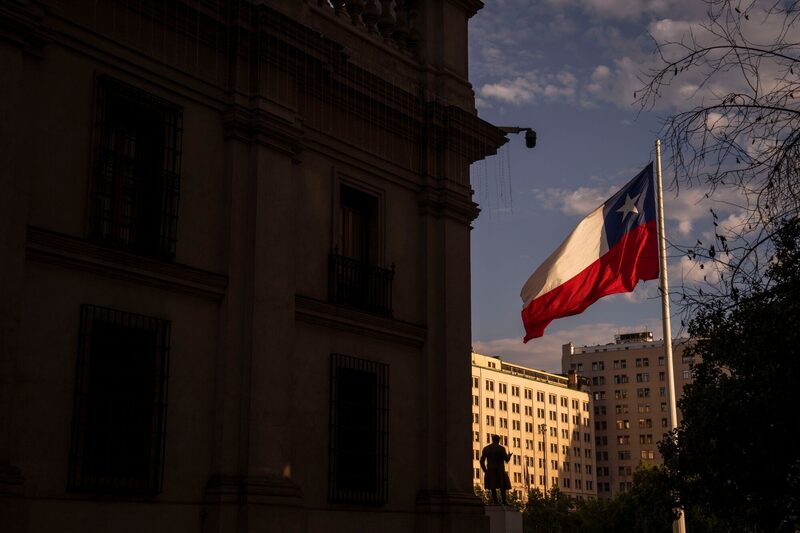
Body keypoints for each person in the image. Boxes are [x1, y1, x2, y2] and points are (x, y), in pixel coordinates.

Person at [479, 434, 513, 505]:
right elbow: (506, 460)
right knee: (502, 486)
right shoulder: (501, 448)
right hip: (499, 470)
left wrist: (485, 470)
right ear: (498, 440)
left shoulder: (486, 448)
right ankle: (504, 501)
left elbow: (481, 461)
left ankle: (495, 501)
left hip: (490, 470)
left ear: (492, 439)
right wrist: (509, 456)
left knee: (492, 486)